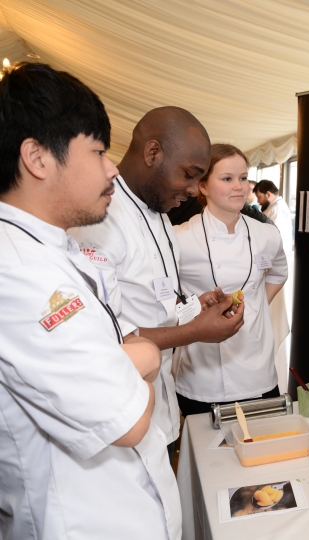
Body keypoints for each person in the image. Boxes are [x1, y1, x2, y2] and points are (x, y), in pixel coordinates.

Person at [0, 62, 180, 539]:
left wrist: (125, 357)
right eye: (98, 150)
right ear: (38, 158)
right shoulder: (15, 270)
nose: (112, 167)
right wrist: (141, 354)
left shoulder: (60, 248)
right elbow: (127, 420)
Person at [69, 106, 244, 456]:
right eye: (190, 175)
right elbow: (105, 336)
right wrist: (196, 332)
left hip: (160, 400)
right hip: (119, 415)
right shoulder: (99, 217)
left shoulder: (159, 210)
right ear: (152, 153)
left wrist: (195, 305)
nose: (195, 190)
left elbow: (157, 300)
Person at [173, 144, 288, 416]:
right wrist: (190, 311)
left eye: (243, 178)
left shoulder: (266, 235)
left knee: (262, 450)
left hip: (258, 370)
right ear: (203, 186)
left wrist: (258, 303)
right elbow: (164, 297)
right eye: (227, 179)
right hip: (202, 372)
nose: (239, 186)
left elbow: (279, 272)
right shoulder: (179, 238)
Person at [255, 179, 293, 252]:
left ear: (268, 194)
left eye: (259, 197)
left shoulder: (277, 209)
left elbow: (274, 236)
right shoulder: (273, 207)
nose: (258, 201)